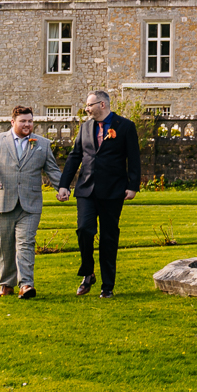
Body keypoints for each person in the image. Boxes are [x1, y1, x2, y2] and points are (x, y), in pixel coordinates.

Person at [57, 89, 142, 297]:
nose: (87, 109)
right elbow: (75, 156)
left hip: (113, 191)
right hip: (86, 189)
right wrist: (64, 185)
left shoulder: (125, 127)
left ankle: (107, 286)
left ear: (102, 105)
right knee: (84, 230)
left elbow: (134, 158)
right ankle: (88, 273)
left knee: (108, 238)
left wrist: (133, 185)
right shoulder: (85, 127)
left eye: (90, 105)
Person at [0, 106, 65, 299]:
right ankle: (7, 284)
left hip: (30, 204)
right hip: (2, 202)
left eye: (30, 121)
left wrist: (62, 188)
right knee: (4, 246)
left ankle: (26, 285)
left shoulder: (42, 144)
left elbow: (53, 170)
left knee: (26, 243)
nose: (27, 125)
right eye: (23, 121)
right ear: (13, 122)